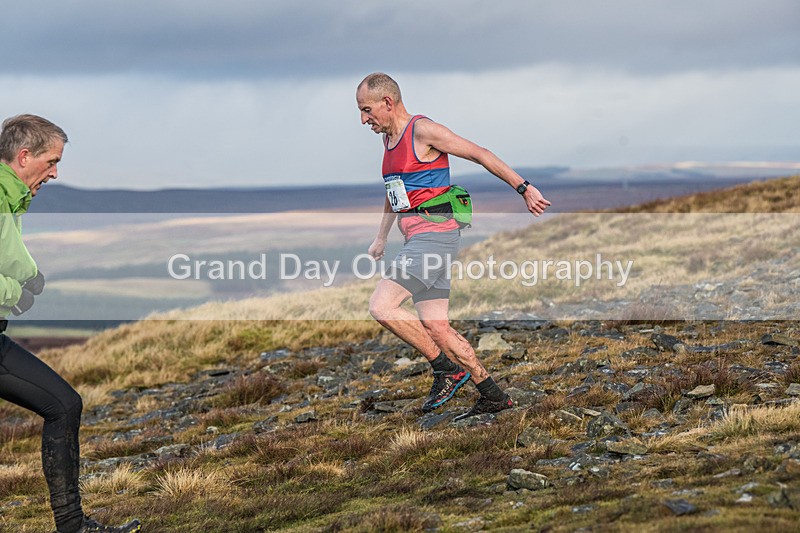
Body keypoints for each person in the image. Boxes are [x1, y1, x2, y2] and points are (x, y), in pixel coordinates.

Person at [356, 73, 551, 420]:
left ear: (388, 103)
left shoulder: (423, 131)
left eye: (367, 110)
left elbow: (479, 153)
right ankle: (492, 394)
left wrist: (525, 188)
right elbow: (394, 191)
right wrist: (382, 235)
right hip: (417, 238)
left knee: (382, 306)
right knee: (437, 326)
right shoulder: (388, 142)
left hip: (436, 236)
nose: (363, 119)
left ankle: (447, 369)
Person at [0, 115, 141, 533]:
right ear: (24, 156)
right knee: (63, 406)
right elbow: (11, 264)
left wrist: (22, 284)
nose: (55, 172)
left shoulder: (11, 198)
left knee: (64, 405)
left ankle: (73, 526)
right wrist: (20, 289)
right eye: (51, 161)